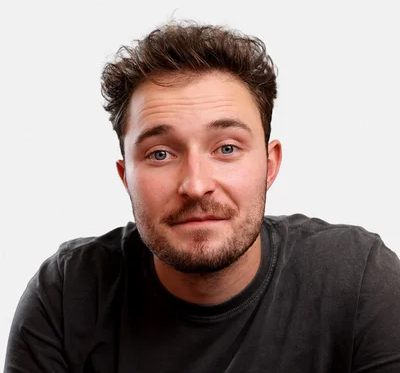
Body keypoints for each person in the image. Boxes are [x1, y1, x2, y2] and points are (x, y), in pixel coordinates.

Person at [4, 21, 400, 373]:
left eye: (227, 148)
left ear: (270, 165)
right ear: (126, 177)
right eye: (160, 154)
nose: (196, 185)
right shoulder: (66, 296)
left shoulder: (360, 283)